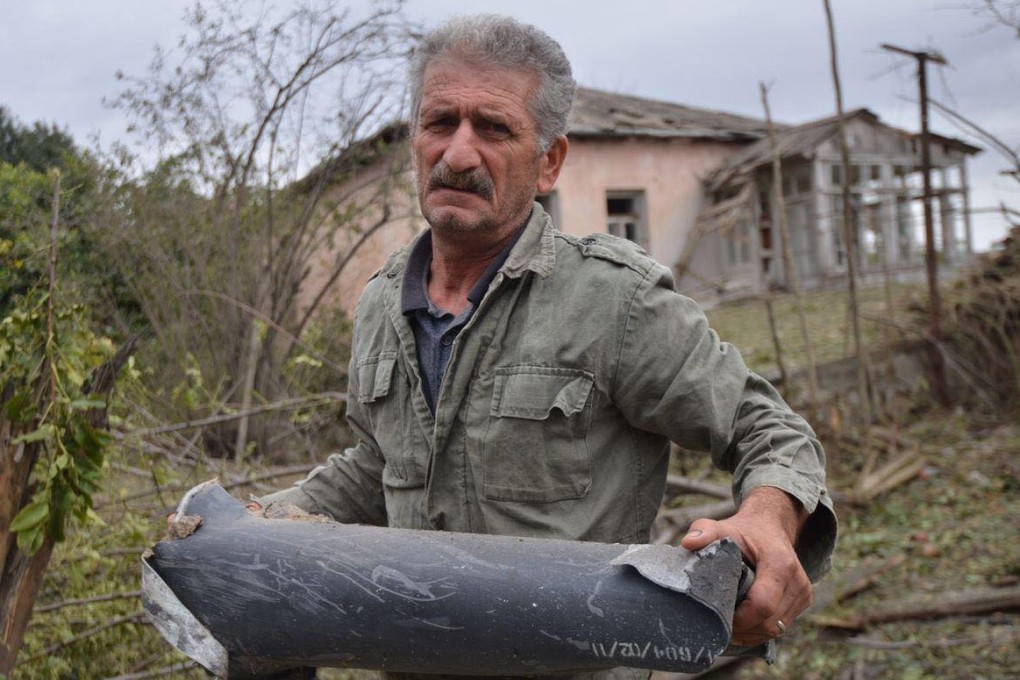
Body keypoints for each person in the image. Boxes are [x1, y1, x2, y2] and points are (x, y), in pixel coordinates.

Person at [262, 12, 836, 674]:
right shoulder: (378, 304)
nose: (457, 154)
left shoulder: (612, 299)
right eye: (440, 122)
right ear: (416, 140)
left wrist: (767, 520)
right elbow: (377, 465)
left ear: (549, 163)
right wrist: (261, 521)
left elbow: (765, 427)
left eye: (495, 128)